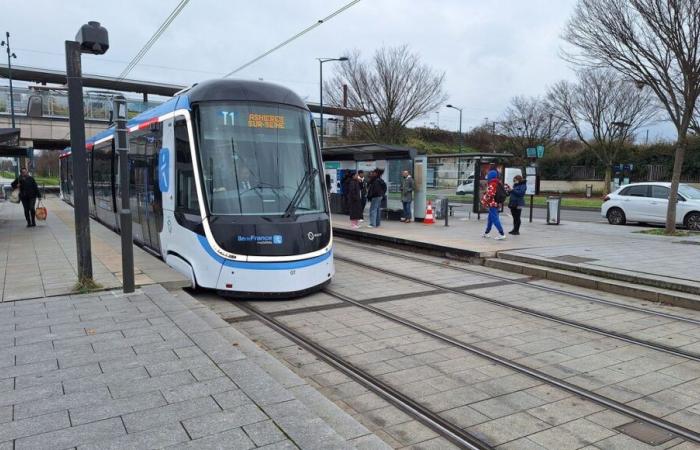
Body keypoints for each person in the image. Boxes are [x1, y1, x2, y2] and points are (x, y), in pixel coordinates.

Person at [481, 167, 506, 240]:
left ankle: (502, 234)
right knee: (490, 219)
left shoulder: (492, 183)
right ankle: (486, 233)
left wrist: (483, 200)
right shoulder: (498, 182)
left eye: (488, 175)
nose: (487, 177)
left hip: (492, 204)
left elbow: (490, 195)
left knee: (495, 219)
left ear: (490, 176)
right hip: (497, 203)